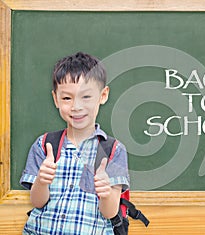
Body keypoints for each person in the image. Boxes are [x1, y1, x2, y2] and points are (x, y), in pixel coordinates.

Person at [20, 52, 130, 235]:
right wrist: (41, 181)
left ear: (103, 95)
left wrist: (106, 192)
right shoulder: (45, 145)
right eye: (66, 98)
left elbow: (109, 212)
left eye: (86, 97)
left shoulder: (113, 150)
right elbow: (38, 202)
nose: (76, 106)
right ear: (56, 99)